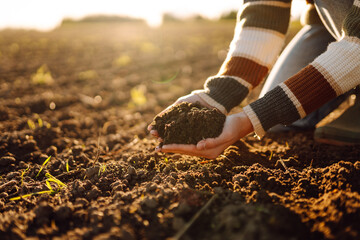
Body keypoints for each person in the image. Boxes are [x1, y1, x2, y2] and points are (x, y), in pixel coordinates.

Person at [148, 0, 360, 159]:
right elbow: (264, 15)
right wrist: (218, 95)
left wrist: (251, 118)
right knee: (279, 121)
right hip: (327, 25)